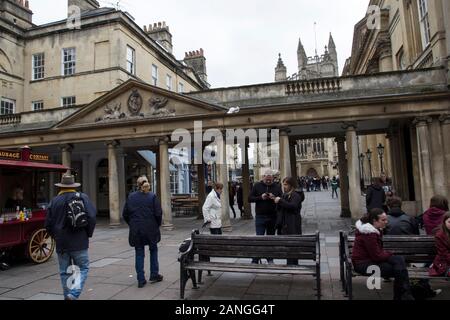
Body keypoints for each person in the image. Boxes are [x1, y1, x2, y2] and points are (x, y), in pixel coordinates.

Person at [45, 174, 97, 300]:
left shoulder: (54, 201)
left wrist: (56, 236)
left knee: (65, 272)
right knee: (83, 268)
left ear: (61, 186)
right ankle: (73, 294)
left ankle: (67, 296)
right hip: (79, 241)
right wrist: (87, 234)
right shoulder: (82, 197)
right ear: (73, 186)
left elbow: (48, 224)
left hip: (62, 243)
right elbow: (92, 217)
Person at [352, 208, 414, 300]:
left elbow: (378, 253)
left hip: (371, 260)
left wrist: (390, 255)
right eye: (383, 220)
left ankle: (403, 295)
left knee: (399, 262)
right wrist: (390, 254)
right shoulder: (369, 234)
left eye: (386, 219)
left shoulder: (374, 230)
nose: (386, 222)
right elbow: (377, 256)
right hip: (363, 264)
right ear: (374, 221)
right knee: (399, 269)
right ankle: (403, 295)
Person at [123, 176, 163, 288]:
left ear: (137, 185)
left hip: (136, 229)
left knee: (139, 252)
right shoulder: (152, 196)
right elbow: (158, 213)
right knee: (153, 250)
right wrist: (157, 225)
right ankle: (154, 274)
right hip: (151, 228)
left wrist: (132, 223)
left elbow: (125, 214)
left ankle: (141, 279)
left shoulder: (131, 197)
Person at [249, 170, 282, 264]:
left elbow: (281, 198)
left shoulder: (277, 186)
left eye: (270, 180)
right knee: (259, 239)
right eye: (266, 179)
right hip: (260, 216)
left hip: (273, 217)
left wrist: (274, 197)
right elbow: (249, 198)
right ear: (263, 177)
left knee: (270, 239)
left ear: (273, 178)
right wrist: (260, 197)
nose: (268, 181)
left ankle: (270, 258)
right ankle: (255, 259)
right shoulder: (257, 186)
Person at [275, 177, 304, 265]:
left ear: (291, 185)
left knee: (293, 246)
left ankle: (294, 265)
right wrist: (277, 202)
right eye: (283, 184)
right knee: (288, 247)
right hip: (285, 224)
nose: (284, 186)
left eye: (286, 184)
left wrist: (280, 201)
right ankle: (290, 265)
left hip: (293, 223)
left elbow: (293, 206)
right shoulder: (285, 195)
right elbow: (280, 209)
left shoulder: (296, 195)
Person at [429, 212, 450, 278]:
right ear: (444, 222)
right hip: (445, 262)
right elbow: (444, 254)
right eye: (449, 222)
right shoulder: (440, 235)